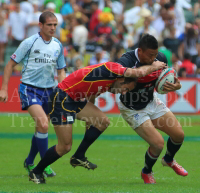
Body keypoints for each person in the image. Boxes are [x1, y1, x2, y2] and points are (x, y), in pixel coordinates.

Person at [71, 34, 188, 184]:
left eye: (155, 55)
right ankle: (146, 172)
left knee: (179, 135)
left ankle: (168, 159)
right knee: (158, 144)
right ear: (140, 51)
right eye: (150, 55)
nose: (154, 58)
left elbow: (164, 80)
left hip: (151, 101)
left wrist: (176, 86)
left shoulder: (160, 58)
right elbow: (113, 87)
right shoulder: (125, 62)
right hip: (132, 108)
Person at [28, 60, 166, 184]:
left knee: (102, 122)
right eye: (125, 89)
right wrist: (154, 67)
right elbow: (139, 72)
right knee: (65, 146)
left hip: (75, 99)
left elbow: (92, 94)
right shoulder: (112, 68)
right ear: (121, 79)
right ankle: (36, 171)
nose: (123, 93)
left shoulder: (109, 84)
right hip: (62, 98)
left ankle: (78, 156)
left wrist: (90, 120)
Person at [0, 11, 66, 177]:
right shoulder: (29, 42)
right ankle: (44, 164)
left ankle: (30, 161)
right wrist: (4, 88)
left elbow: (61, 69)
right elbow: (9, 65)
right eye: (49, 25)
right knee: (43, 124)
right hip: (29, 88)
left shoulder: (58, 44)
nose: (53, 28)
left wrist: (62, 89)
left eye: (55, 25)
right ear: (41, 25)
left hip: (50, 91)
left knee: (40, 127)